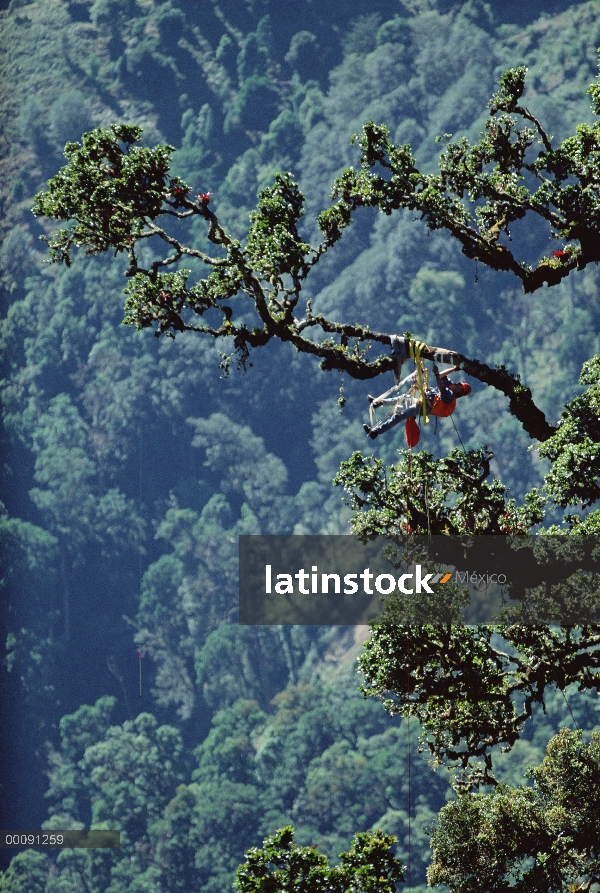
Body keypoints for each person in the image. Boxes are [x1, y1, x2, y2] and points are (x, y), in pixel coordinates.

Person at [363, 364, 471, 439]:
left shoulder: (450, 396)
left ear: (461, 391)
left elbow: (441, 387)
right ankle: (379, 403)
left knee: (398, 416)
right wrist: (453, 369)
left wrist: (437, 375)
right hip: (422, 401)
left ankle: (376, 432)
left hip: (423, 407)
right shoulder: (451, 386)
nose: (457, 383)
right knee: (404, 397)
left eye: (459, 385)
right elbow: (442, 376)